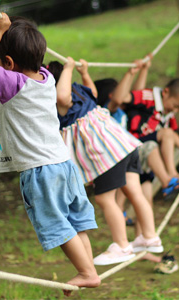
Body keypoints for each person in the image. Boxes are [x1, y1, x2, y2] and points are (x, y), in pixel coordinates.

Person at [0, 14, 100, 295]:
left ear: (8, 64)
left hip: (40, 170)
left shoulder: (13, 83)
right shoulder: (46, 78)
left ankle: (86, 272)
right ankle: (88, 269)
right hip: (65, 165)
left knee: (55, 221)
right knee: (74, 220)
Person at [48, 58, 164, 267]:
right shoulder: (81, 92)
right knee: (134, 192)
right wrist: (84, 74)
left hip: (106, 153)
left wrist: (69, 68)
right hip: (123, 144)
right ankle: (149, 236)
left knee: (104, 198)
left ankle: (122, 245)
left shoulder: (61, 100)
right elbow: (93, 91)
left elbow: (62, 96)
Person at [95, 59, 179, 201]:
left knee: (145, 198)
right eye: (175, 105)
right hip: (136, 145)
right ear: (166, 92)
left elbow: (173, 136)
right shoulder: (148, 98)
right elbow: (128, 96)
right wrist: (134, 72)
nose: (175, 110)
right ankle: (171, 176)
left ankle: (130, 218)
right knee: (159, 140)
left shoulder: (169, 115)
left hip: (147, 157)